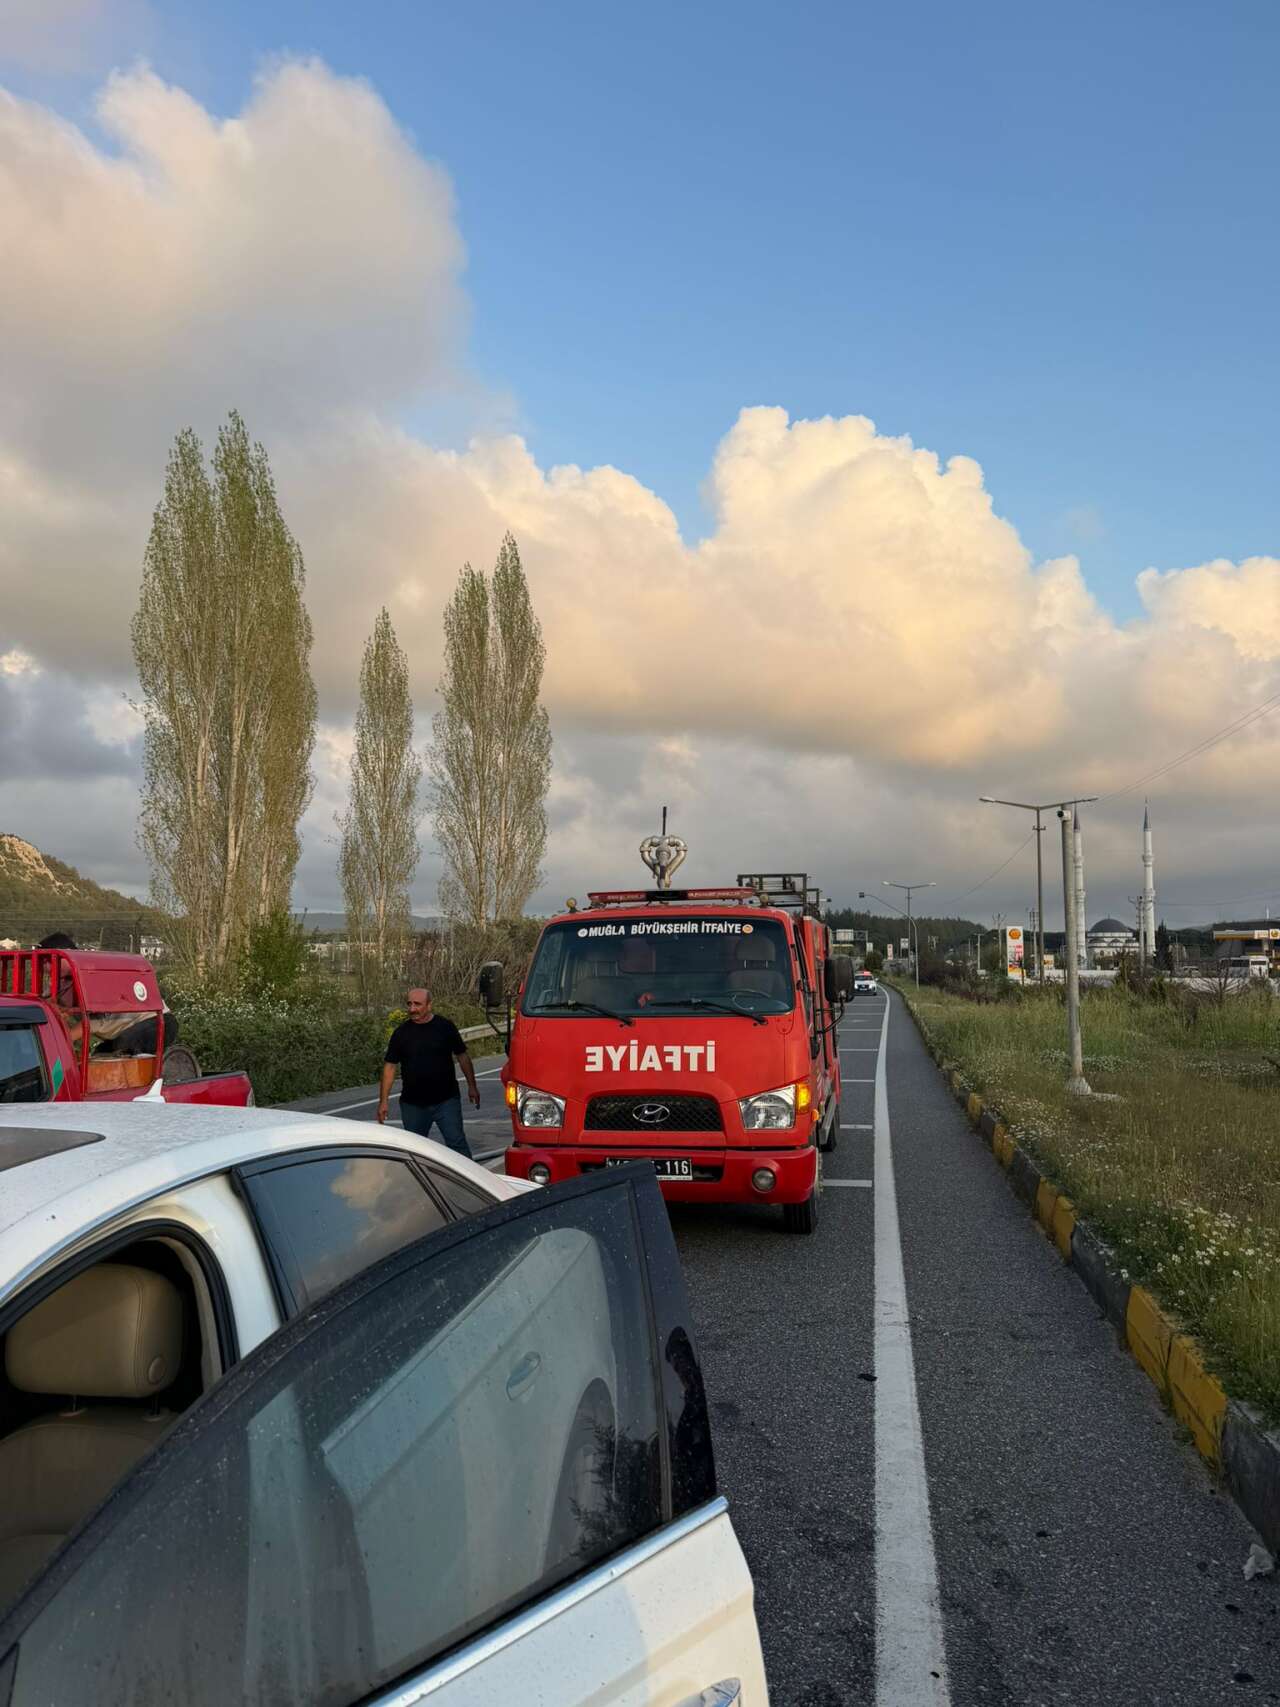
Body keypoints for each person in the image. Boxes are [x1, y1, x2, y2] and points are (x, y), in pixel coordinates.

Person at [378, 988, 480, 1158]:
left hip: (446, 1101)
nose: (412, 1009)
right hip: (413, 1105)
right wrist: (383, 1102)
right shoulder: (401, 1034)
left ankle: (473, 1181)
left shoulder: (445, 1027)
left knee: (457, 1144)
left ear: (429, 1005)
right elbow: (389, 1067)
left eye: (417, 1004)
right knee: (415, 1152)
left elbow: (462, 1056)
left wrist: (472, 1086)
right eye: (409, 1004)